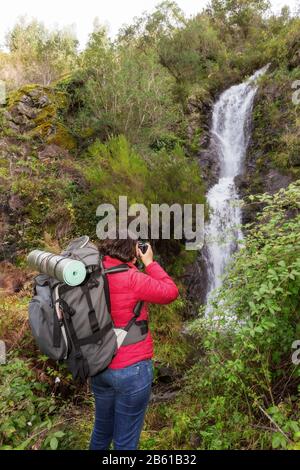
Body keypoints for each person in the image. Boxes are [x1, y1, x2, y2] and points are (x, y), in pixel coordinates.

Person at [89, 234, 179, 450]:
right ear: (132, 250)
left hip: (99, 365)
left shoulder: (92, 274)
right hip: (132, 369)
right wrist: (149, 262)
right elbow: (170, 292)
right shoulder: (132, 278)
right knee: (125, 442)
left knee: (101, 433)